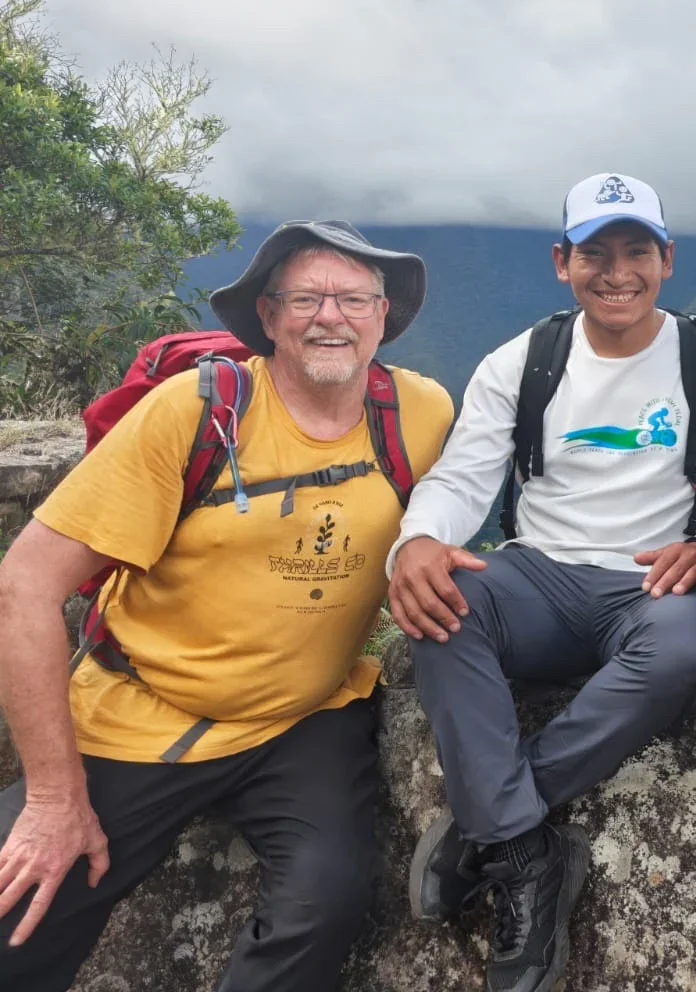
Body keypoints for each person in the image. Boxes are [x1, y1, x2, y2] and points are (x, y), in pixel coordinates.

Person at [0, 222, 453, 991]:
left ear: (385, 317)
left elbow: (459, 514)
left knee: (327, 903)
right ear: (267, 317)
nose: (330, 316)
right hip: (147, 709)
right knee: (20, 910)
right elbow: (24, 585)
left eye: (353, 299)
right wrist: (52, 799)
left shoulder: (422, 413)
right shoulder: (198, 412)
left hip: (303, 717)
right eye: (304, 297)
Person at [390, 172, 696, 992]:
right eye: (595, 253)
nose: (616, 272)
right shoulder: (525, 360)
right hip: (537, 574)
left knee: (681, 648)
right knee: (442, 607)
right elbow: (463, 478)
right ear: (561, 261)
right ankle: (525, 852)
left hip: (648, 580)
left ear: (667, 260)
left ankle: (489, 826)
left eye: (635, 252)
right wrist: (417, 541)